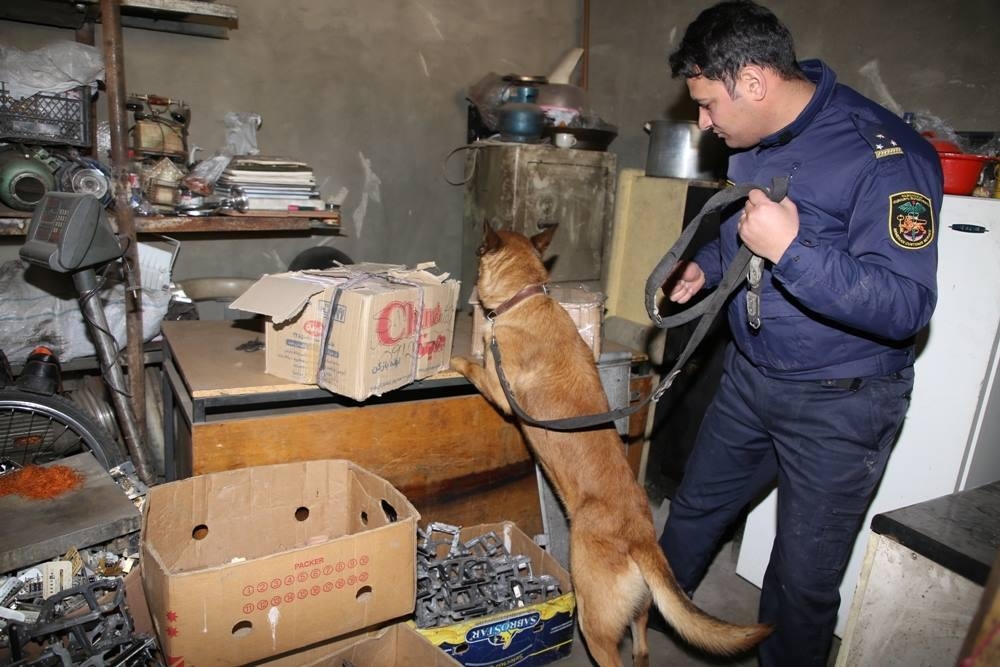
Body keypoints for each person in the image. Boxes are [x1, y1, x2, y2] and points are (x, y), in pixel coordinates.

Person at [654, 1, 942, 665]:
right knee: (693, 513)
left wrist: (792, 250)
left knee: (799, 582)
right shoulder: (752, 136)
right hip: (752, 376)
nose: (702, 123)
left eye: (707, 105)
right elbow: (744, 231)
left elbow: (907, 305)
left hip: (842, 400)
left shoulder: (887, 158)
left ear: (753, 82)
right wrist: (708, 266)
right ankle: (647, 620)